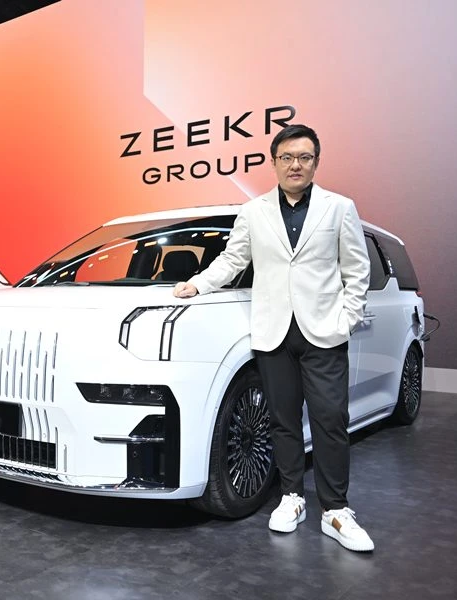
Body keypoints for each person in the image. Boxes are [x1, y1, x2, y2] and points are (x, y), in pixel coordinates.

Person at [173, 124, 374, 552]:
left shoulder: (339, 208)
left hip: (324, 333)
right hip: (273, 333)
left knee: (330, 419)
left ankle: (336, 510)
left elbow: (357, 270)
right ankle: (292, 496)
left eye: (304, 157)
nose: (295, 164)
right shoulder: (254, 211)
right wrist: (198, 284)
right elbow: (233, 259)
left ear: (316, 162)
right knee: (282, 421)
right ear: (275, 162)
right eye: (287, 157)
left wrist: (348, 318)